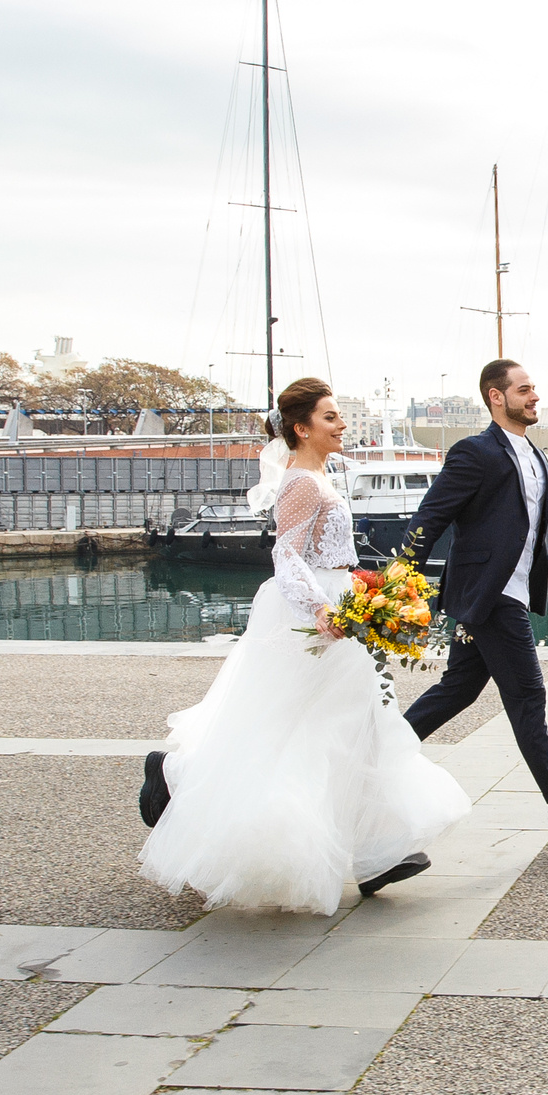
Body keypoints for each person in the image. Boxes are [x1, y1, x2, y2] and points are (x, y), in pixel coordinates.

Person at [136, 378, 471, 913]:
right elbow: (287, 556)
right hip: (313, 615)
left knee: (357, 725)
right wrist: (319, 608)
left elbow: (327, 550)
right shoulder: (302, 484)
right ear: (302, 428)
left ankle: (377, 852)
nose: (341, 425)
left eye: (340, 415)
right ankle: (175, 777)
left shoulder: (323, 474)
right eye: (332, 417)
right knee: (300, 727)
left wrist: (364, 585)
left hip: (341, 603)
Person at [396, 359, 548, 847]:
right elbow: (430, 516)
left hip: (510, 593)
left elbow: (544, 524)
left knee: (458, 689)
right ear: (496, 397)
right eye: (524, 390)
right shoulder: (474, 453)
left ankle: (382, 748)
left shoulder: (536, 456)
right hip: (490, 594)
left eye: (534, 389)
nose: (534, 396)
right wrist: (400, 577)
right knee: (527, 696)